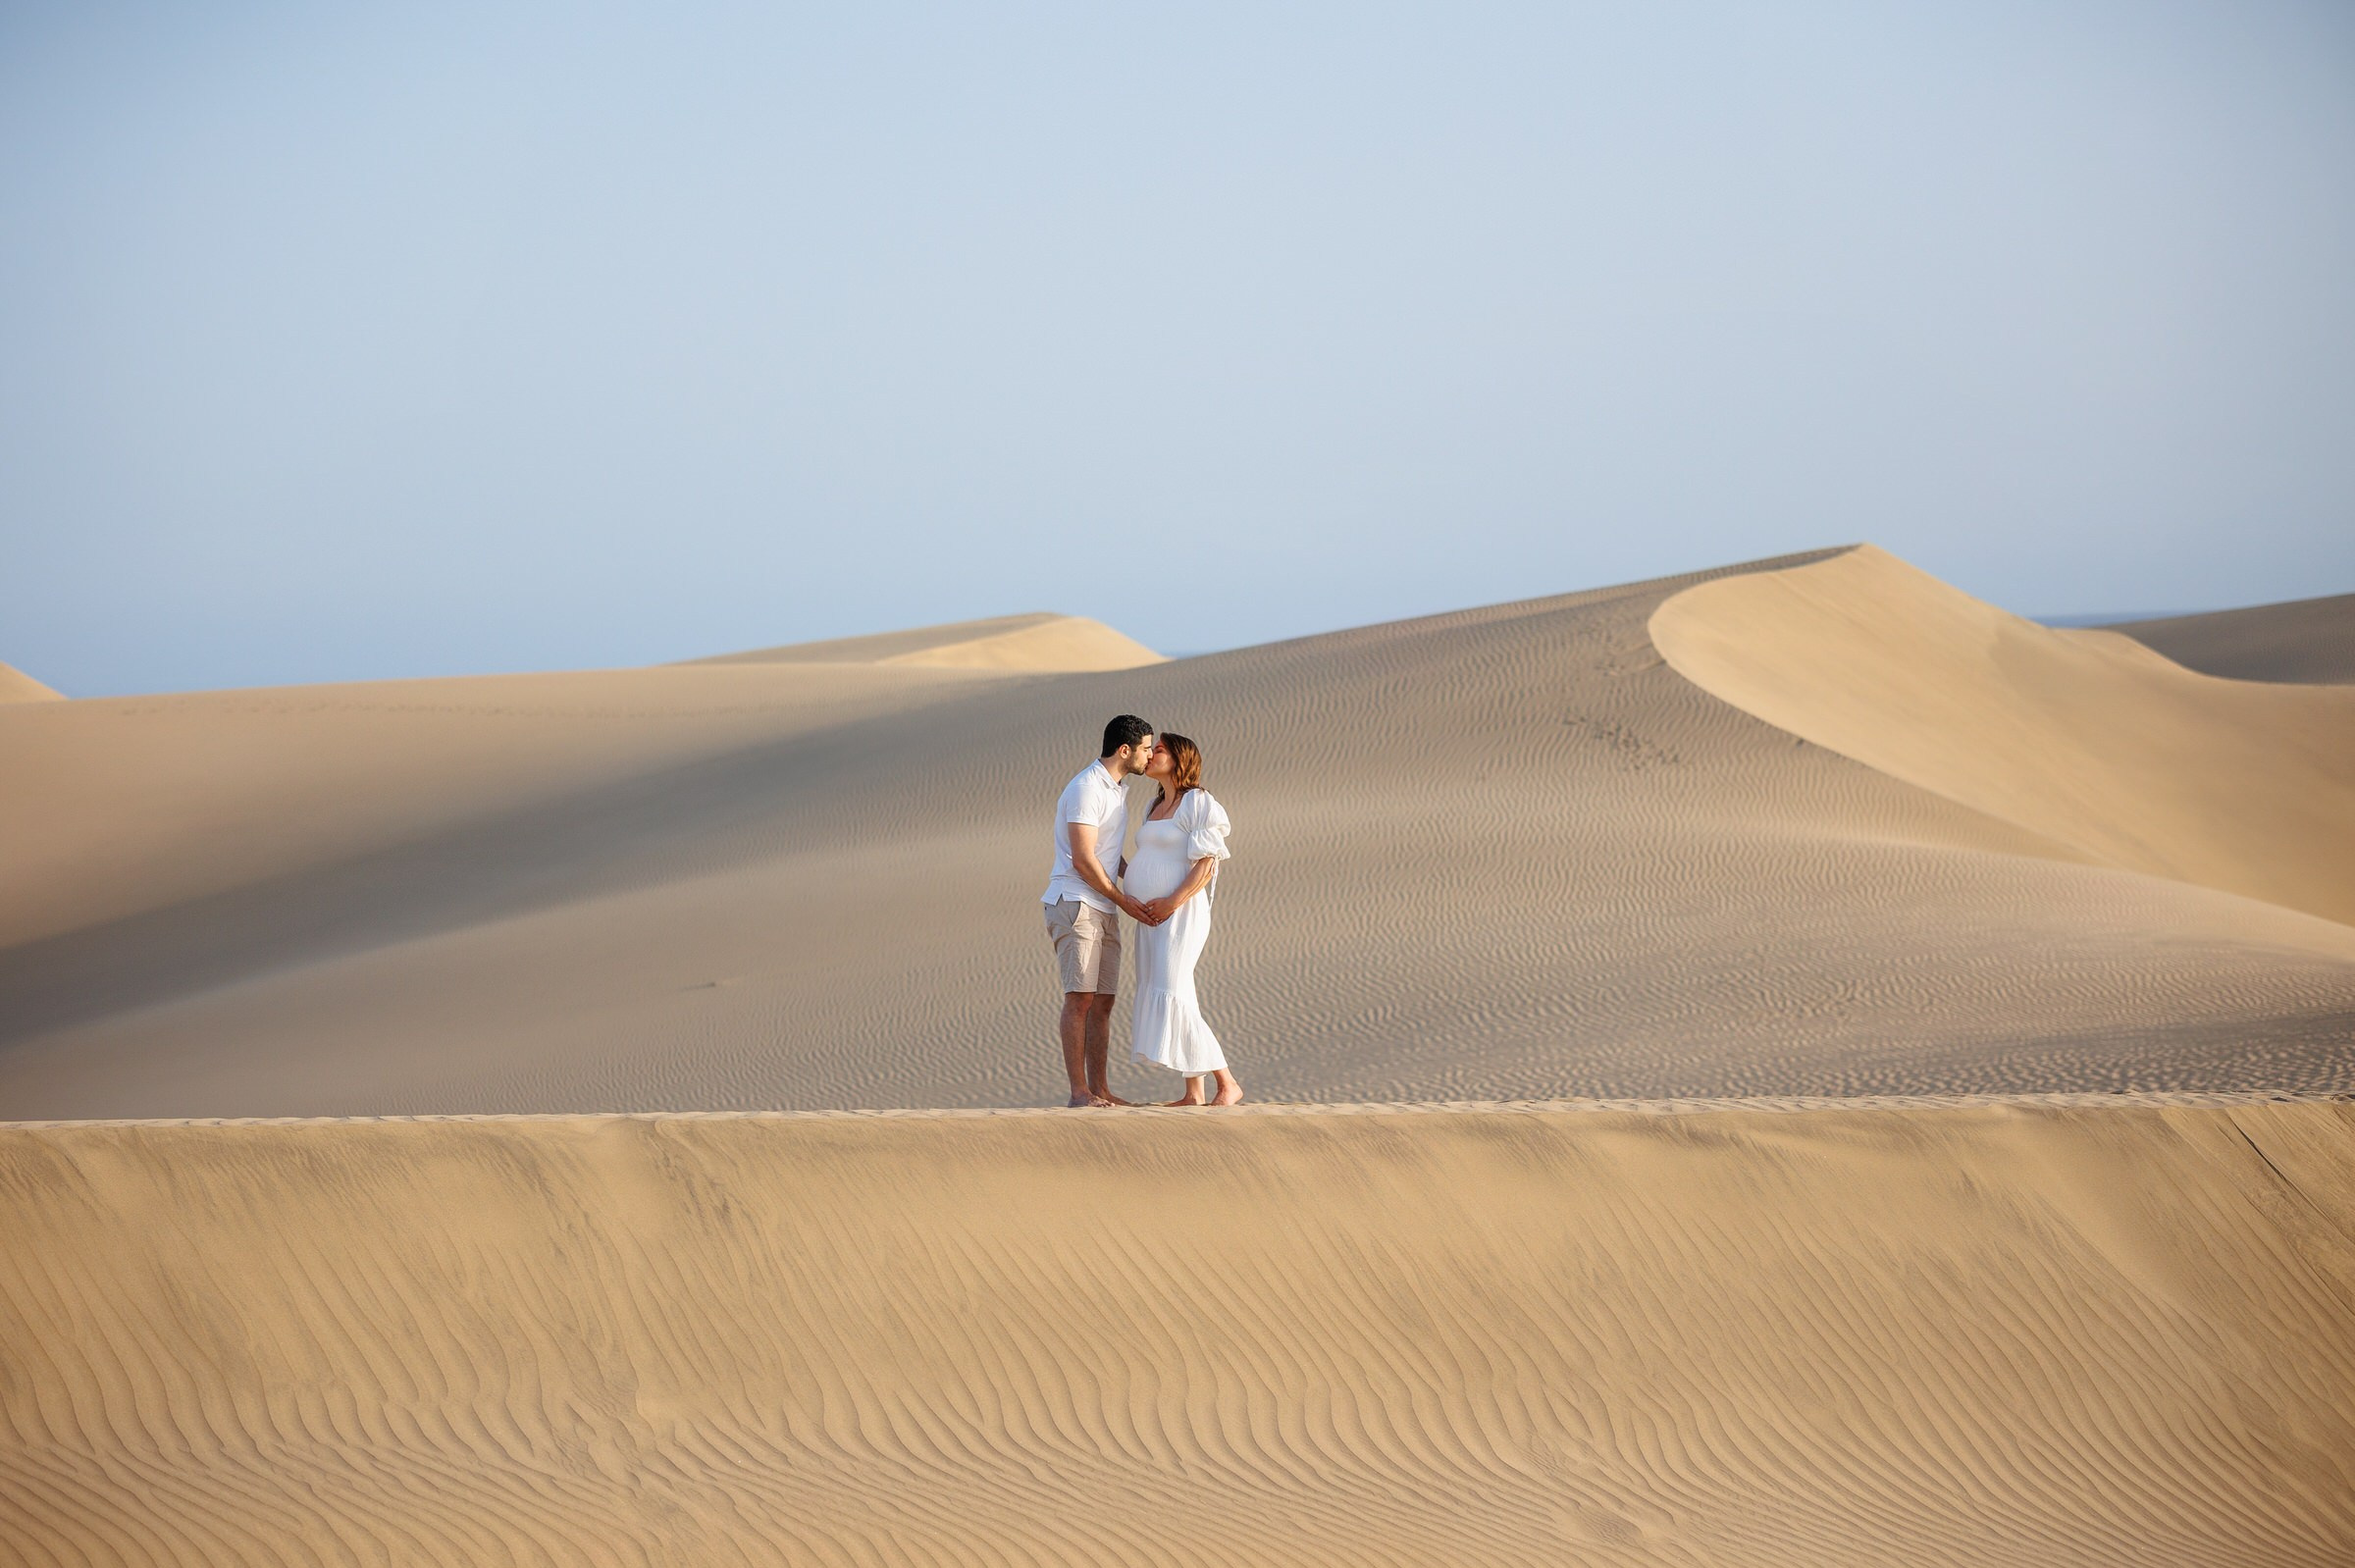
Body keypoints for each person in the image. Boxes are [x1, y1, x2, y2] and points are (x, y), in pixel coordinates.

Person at [1043, 714, 1156, 1107]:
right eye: (1145, 748)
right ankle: (1079, 1093)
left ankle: (1101, 1089)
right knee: (1080, 999)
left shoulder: (1116, 788)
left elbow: (1105, 854)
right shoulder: (1087, 788)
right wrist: (1125, 899)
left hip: (1102, 903)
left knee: (1103, 1000)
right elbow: (1082, 859)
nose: (1149, 755)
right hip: (1076, 902)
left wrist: (1133, 877)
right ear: (1124, 750)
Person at [1124, 732, 1241, 1106]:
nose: (1151, 755)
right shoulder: (1152, 807)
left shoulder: (1198, 802)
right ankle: (1194, 1093)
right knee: (1178, 995)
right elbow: (1149, 862)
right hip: (1150, 917)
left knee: (1173, 990)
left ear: (1178, 758)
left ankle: (1228, 1083)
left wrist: (1172, 901)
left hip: (1180, 912)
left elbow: (1207, 862)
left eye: (1158, 750)